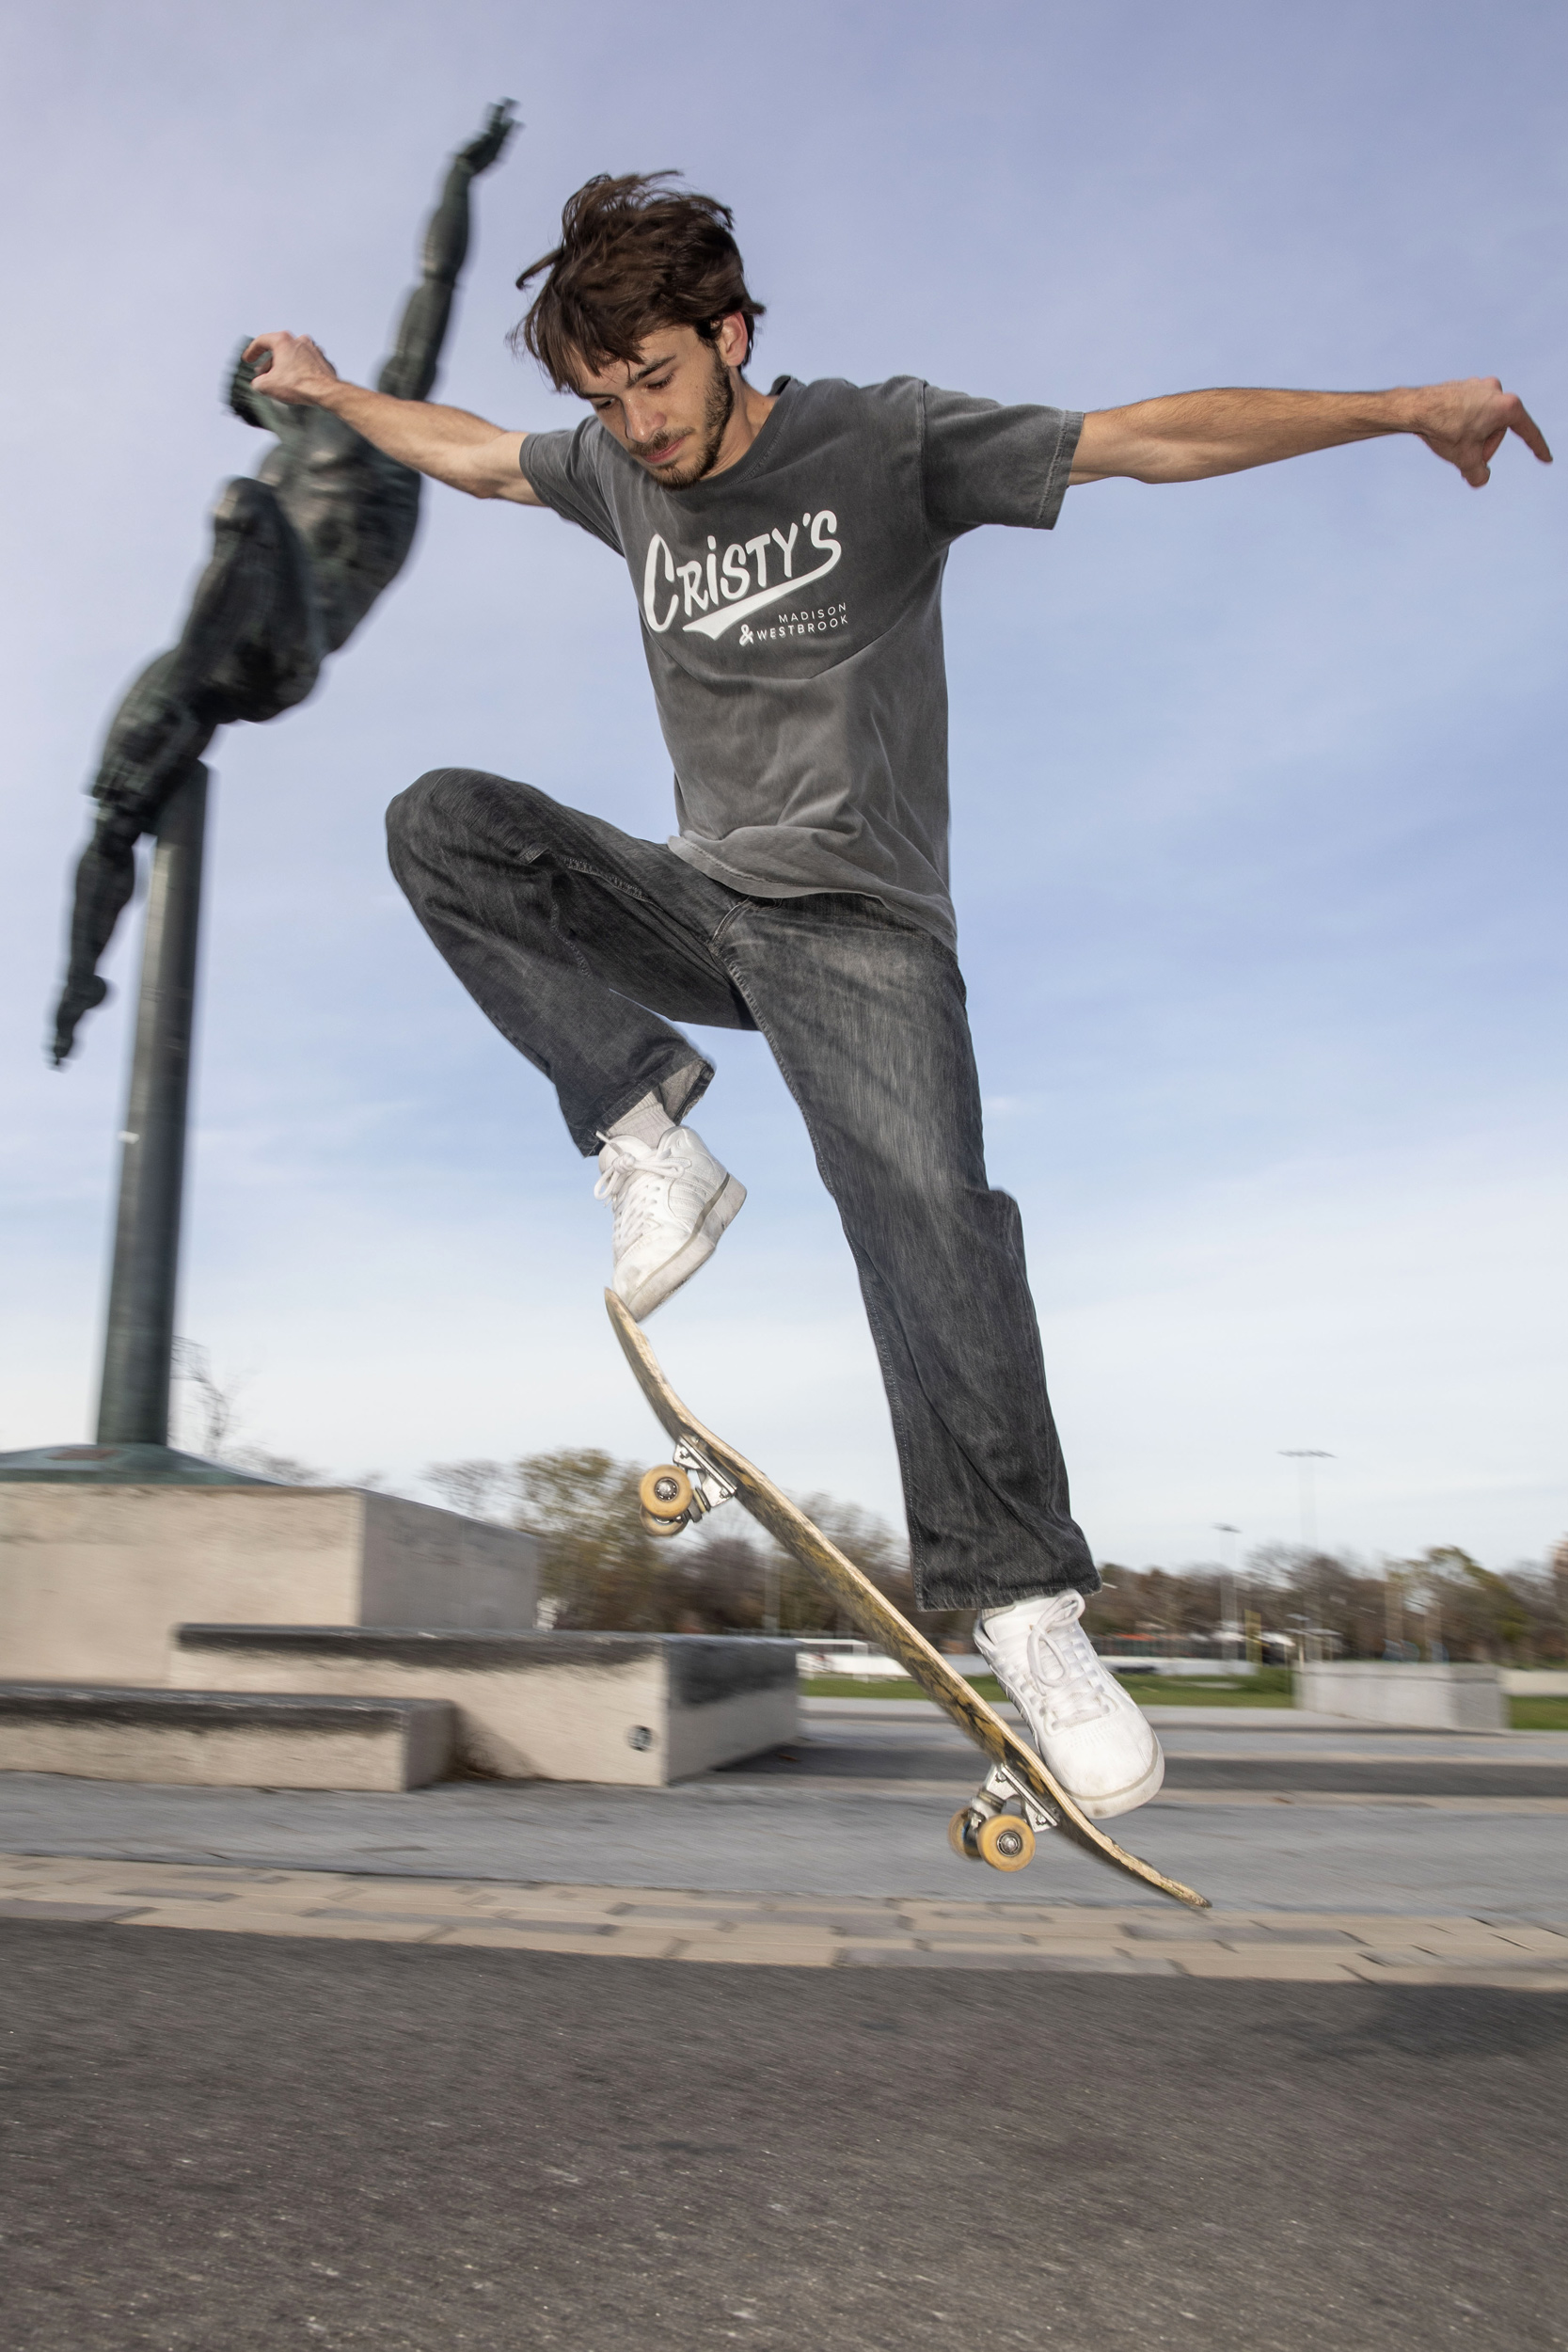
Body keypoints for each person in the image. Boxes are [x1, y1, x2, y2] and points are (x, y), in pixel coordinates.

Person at [243, 172, 1550, 1820]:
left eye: (655, 376)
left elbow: (1145, 437)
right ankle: (651, 1136)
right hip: (703, 903)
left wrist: (1398, 409)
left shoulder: (883, 441)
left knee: (931, 1222)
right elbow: (471, 453)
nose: (633, 424)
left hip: (862, 926)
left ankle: (1026, 1609)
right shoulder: (606, 468)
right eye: (602, 394)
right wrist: (327, 391)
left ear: (728, 332)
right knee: (442, 822)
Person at [51, 103, 515, 1067]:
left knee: (239, 513)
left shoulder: (382, 427)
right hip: (214, 648)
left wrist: (459, 178)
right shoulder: (283, 462)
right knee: (114, 808)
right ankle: (76, 981)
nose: (272, 384)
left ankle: (185, 696)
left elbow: (436, 282)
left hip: (284, 648)